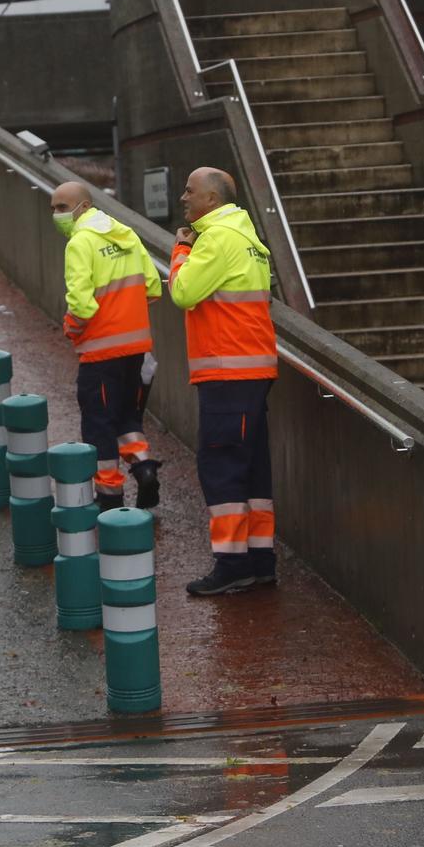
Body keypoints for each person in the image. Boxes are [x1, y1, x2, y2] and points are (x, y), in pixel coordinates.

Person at [169, 167, 280, 596]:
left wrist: (181, 249)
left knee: (221, 465)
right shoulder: (250, 240)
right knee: (252, 468)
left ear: (212, 200)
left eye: (190, 191)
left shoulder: (216, 239)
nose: (183, 197)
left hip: (227, 369)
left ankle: (232, 564)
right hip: (253, 368)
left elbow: (183, 292)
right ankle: (260, 559)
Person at [50, 181, 164, 511]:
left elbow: (81, 306)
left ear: (84, 206)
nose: (56, 214)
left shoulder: (80, 243)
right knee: (127, 417)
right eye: (53, 208)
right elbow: (153, 287)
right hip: (136, 350)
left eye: (62, 207)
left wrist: (70, 328)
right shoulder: (125, 234)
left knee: (98, 424)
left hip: (100, 352)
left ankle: (110, 496)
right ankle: (144, 467)